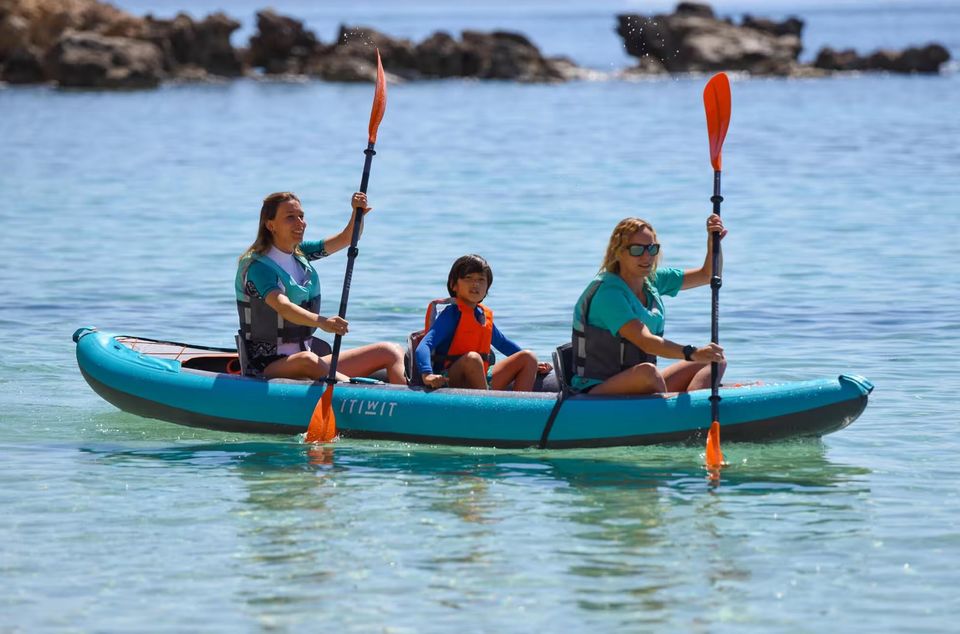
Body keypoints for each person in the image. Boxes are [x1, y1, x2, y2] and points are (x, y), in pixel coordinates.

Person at [235, 191, 405, 383]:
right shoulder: (258, 267)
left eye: (301, 216)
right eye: (290, 217)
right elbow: (283, 307)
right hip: (266, 367)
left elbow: (347, 239)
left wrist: (356, 213)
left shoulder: (301, 254)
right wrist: (323, 322)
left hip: (308, 359)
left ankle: (406, 405)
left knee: (390, 351)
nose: (300, 222)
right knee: (308, 360)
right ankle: (356, 388)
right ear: (270, 224)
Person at [571, 215, 727, 395]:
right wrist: (692, 352)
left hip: (639, 382)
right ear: (619, 252)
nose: (647, 256)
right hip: (595, 389)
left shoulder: (652, 280)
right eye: (637, 249)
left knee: (715, 360)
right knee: (649, 372)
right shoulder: (608, 295)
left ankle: (695, 413)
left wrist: (713, 241)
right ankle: (672, 416)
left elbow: (708, 275)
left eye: (652, 249)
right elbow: (645, 342)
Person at [416, 254, 552, 391]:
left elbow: (503, 343)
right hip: (450, 378)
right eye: (468, 278)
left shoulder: (482, 316)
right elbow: (425, 345)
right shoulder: (450, 315)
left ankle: (520, 408)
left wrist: (536, 364)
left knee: (528, 357)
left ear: (487, 288)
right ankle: (486, 406)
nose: (475, 284)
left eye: (481, 279)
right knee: (473, 359)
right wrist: (427, 374)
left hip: (482, 376)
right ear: (453, 285)